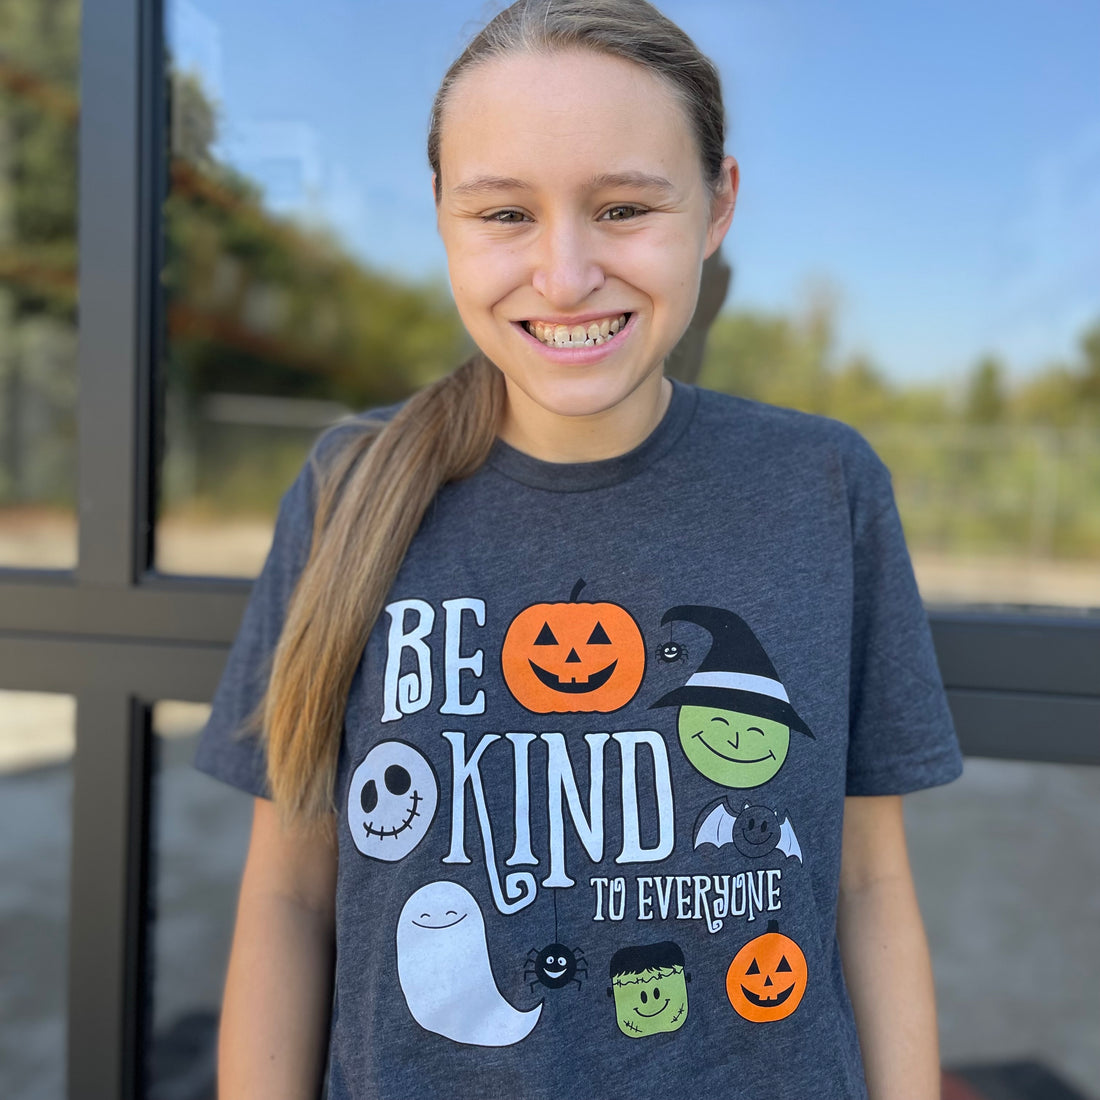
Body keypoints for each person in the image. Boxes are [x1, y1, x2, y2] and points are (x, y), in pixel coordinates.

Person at [195, 1, 963, 1096]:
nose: (563, 275)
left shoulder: (819, 486)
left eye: (620, 207)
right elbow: (290, 895)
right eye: (504, 212)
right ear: (442, 219)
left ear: (715, 206)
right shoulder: (346, 489)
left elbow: (871, 884)